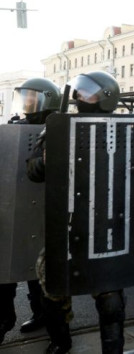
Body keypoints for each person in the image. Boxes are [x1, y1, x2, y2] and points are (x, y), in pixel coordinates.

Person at [27, 71, 127, 354]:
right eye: (80, 92)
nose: (80, 98)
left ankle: (113, 348)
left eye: (88, 93)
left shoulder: (122, 129)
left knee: (110, 294)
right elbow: (33, 171)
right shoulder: (58, 126)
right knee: (53, 284)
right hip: (67, 221)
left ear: (106, 98)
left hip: (104, 222)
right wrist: (48, 154)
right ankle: (60, 342)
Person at [0, 78, 60, 344]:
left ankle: (45, 317)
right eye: (25, 98)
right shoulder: (15, 128)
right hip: (14, 209)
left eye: (33, 99)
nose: (27, 105)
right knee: (7, 266)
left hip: (46, 211)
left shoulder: (59, 130)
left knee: (42, 273)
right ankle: (4, 319)